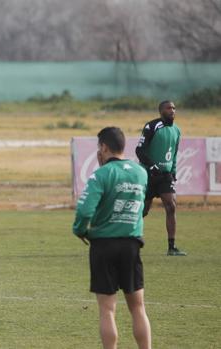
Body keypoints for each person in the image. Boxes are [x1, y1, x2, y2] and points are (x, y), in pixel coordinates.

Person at [73, 127, 152, 349]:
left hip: (103, 245)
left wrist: (80, 230)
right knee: (138, 307)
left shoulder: (101, 174)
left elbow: (85, 211)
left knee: (107, 309)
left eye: (99, 147)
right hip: (131, 245)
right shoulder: (140, 172)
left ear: (104, 147)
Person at [135, 100, 186, 256]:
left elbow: (175, 154)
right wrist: (152, 167)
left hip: (165, 176)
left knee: (171, 206)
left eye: (174, 108)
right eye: (169, 108)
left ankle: (172, 247)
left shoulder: (176, 130)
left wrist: (173, 171)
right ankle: (132, 240)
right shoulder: (152, 126)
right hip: (149, 175)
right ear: (161, 111)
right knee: (143, 211)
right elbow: (140, 150)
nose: (172, 110)